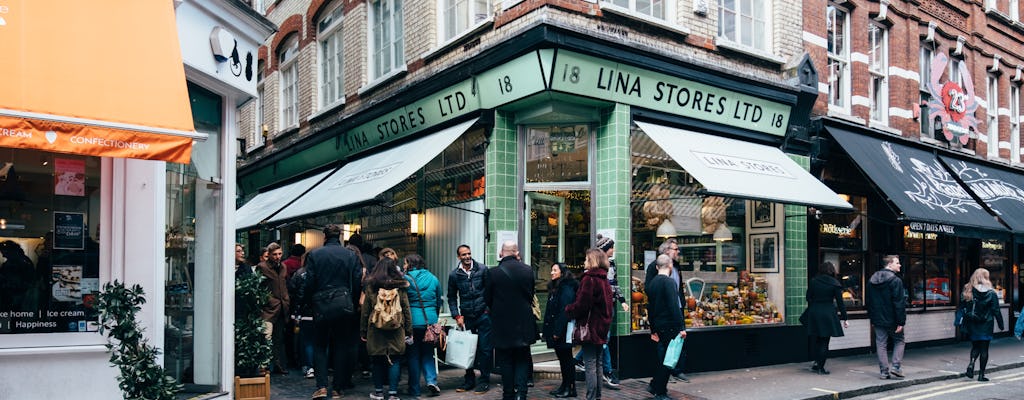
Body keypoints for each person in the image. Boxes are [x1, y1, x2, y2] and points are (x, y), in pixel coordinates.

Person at [303, 224, 363, 399]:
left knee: (320, 345)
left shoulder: (315, 254)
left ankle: (321, 386)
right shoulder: (350, 255)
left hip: (320, 304)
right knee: (341, 345)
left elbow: (310, 282)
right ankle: (337, 387)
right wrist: (352, 302)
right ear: (340, 236)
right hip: (343, 304)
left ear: (324, 236)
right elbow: (357, 280)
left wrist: (309, 302)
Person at [485, 241, 537, 400]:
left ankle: (508, 393)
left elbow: (487, 298)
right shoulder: (528, 270)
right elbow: (530, 294)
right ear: (516, 252)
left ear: (502, 252)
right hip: (524, 321)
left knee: (505, 360)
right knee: (522, 358)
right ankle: (521, 393)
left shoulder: (493, 272)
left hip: (502, 322)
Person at [361, 257, 412, 400]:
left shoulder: (371, 286)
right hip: (396, 328)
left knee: (377, 360)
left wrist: (363, 330)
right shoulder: (400, 286)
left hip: (375, 329)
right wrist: (408, 330)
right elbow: (406, 309)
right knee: (395, 360)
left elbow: (366, 310)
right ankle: (393, 394)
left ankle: (378, 392)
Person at [566, 248, 614, 400]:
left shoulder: (589, 279)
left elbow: (582, 304)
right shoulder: (604, 279)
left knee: (590, 364)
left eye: (587, 259)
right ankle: (597, 396)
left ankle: (591, 397)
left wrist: (569, 309)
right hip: (602, 326)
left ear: (592, 261)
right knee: (598, 363)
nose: (584, 262)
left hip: (590, 327)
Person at [447, 244, 492, 393]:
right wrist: (457, 315)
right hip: (466, 317)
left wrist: (488, 310)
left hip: (483, 314)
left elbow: (490, 291)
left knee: (485, 349)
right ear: (458, 257)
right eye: (464, 255)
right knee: (468, 349)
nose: (467, 257)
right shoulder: (454, 275)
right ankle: (469, 379)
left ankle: (484, 380)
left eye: (469, 254)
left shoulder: (482, 269)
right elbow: (451, 297)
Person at [643, 238, 689, 382]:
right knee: (664, 344)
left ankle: (677, 370)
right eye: (675, 249)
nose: (678, 252)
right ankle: (664, 374)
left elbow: (679, 288)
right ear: (667, 250)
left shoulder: (677, 266)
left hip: (677, 308)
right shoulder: (654, 267)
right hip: (663, 312)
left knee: (678, 342)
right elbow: (649, 289)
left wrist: (682, 302)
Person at [403, 253, 443, 397]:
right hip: (429, 321)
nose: (403, 266)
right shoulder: (433, 278)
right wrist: (434, 317)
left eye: (405, 263)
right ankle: (432, 381)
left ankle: (414, 389)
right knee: (428, 353)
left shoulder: (405, 279)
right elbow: (439, 300)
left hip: (412, 322)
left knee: (413, 355)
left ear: (411, 264)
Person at [647, 254, 686, 400]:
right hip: (669, 325)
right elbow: (674, 306)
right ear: (670, 266)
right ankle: (660, 391)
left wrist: (653, 329)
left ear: (657, 267)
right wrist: (681, 327)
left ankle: (655, 385)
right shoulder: (669, 283)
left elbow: (649, 308)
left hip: (658, 325)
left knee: (663, 358)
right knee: (669, 360)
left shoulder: (652, 283)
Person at [803, 261, 849, 375]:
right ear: (832, 270)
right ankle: (821, 367)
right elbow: (840, 303)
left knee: (816, 339)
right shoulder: (835, 284)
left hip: (814, 312)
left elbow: (808, 297)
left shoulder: (813, 281)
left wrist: (815, 304)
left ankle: (816, 363)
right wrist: (845, 318)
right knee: (824, 341)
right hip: (828, 313)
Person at [866, 255, 907, 380]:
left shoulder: (872, 280)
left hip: (878, 318)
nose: (899, 265)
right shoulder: (896, 281)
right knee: (899, 341)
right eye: (897, 263)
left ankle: (884, 372)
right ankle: (896, 367)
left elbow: (869, 302)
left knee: (881, 343)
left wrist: (872, 318)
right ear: (889, 264)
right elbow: (899, 303)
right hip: (893, 319)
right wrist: (901, 322)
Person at [960, 268, 1005, 381]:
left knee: (975, 346)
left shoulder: (969, 290)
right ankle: (981, 375)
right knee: (984, 349)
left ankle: (971, 363)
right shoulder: (991, 293)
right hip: (986, 324)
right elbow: (996, 310)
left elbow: (962, 306)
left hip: (973, 323)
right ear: (986, 278)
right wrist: (1001, 324)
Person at [543, 262, 578, 398]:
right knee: (563, 359)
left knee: (566, 360)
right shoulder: (557, 287)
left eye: (554, 270)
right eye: (551, 270)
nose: (552, 272)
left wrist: (557, 332)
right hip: (558, 330)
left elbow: (564, 311)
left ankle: (570, 388)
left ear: (562, 273)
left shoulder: (566, 288)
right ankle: (565, 385)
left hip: (563, 331)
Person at [257, 242, 290, 375]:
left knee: (278, 338)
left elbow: (284, 284)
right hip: (268, 308)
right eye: (275, 254)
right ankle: (263, 366)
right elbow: (258, 287)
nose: (278, 257)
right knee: (267, 337)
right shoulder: (262, 267)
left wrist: (286, 299)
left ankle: (277, 365)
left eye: (280, 254)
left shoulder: (283, 267)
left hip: (282, 307)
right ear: (269, 255)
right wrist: (266, 301)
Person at [287, 259, 315, 379]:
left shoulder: (299, 273)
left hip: (305, 313)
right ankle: (319, 365)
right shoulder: (320, 273)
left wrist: (296, 312)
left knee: (307, 341)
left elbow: (294, 292)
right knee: (321, 342)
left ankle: (309, 366)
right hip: (319, 311)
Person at [282, 243, 306, 369]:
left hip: (291, 302)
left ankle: (291, 358)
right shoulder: (302, 267)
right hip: (304, 306)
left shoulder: (285, 263)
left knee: (291, 332)